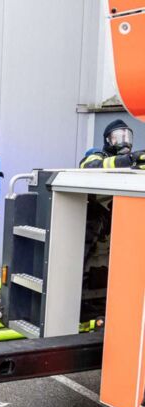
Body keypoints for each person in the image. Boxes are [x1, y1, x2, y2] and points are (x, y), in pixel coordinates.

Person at [78, 120, 145, 322]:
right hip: (92, 221)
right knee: (86, 261)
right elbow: (88, 166)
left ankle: (105, 302)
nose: (124, 141)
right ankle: (82, 303)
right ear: (108, 139)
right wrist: (129, 160)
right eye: (118, 136)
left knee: (110, 263)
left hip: (117, 222)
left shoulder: (133, 165)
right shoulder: (97, 155)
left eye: (127, 136)